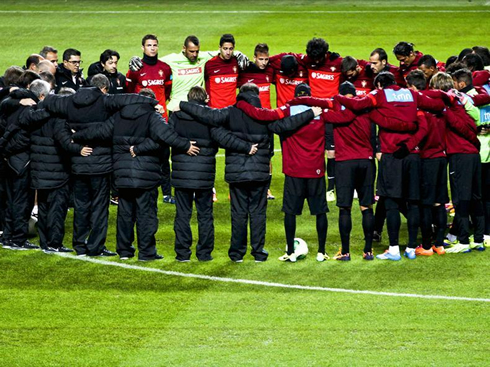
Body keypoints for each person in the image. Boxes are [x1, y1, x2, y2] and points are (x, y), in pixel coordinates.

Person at [179, 83, 321, 262]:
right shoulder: (263, 114)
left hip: (236, 172)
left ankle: (237, 253)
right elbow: (285, 124)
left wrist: (183, 105)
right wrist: (310, 113)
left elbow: (210, 117)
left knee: (238, 213)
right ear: (257, 96)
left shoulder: (230, 112)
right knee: (258, 213)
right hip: (260, 172)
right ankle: (258, 252)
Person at [71, 88, 200, 261]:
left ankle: (124, 251)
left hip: (122, 174)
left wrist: (77, 136)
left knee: (125, 213)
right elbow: (166, 135)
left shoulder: (119, 116)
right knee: (146, 214)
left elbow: (99, 132)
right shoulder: (151, 117)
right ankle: (146, 252)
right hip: (146, 174)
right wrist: (185, 145)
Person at [42, 74, 157, 257]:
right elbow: (130, 98)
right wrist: (151, 102)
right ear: (103, 89)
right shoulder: (105, 101)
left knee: (81, 206)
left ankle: (79, 246)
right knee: (99, 208)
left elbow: (48, 100)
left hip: (79, 165)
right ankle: (95, 247)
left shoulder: (69, 102)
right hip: (101, 165)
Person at [170, 86, 257, 261]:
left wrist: (183, 145)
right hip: (204, 174)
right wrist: (246, 147)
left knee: (182, 214)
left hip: (181, 174)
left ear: (189, 99)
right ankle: (203, 253)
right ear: (205, 99)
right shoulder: (209, 118)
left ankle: (182, 254)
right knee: (205, 215)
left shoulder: (176, 116)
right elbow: (224, 138)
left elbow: (166, 136)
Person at [126, 34, 174, 204]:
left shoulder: (165, 68)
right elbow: (130, 91)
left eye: (155, 45)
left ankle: (167, 193)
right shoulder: (135, 69)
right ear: (142, 48)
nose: (152, 48)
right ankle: (142, 188)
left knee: (163, 157)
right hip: (142, 119)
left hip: (161, 119)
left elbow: (167, 91)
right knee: (142, 154)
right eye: (149, 45)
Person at [405, 70, 448, 256]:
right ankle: (439, 244)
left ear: (413, 87)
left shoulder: (420, 109)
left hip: (427, 159)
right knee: (439, 202)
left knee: (425, 204)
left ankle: (427, 246)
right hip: (441, 157)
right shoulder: (439, 106)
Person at [204, 34, 239, 108]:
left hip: (232, 110)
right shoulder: (210, 64)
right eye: (225, 48)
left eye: (231, 49)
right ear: (219, 48)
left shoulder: (236, 63)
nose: (228, 52)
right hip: (214, 111)